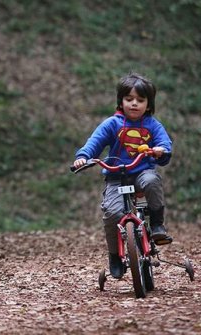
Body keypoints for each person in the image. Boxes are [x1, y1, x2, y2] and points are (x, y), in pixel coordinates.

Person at [72, 72, 173, 279]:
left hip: (141, 172)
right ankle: (115, 256)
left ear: (148, 104)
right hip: (116, 176)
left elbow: (164, 143)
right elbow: (95, 142)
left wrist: (160, 150)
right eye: (129, 99)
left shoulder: (152, 125)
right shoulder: (112, 124)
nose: (134, 104)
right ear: (121, 101)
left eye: (140, 100)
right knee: (111, 213)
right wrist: (83, 157)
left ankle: (156, 224)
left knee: (152, 181)